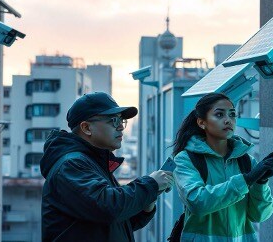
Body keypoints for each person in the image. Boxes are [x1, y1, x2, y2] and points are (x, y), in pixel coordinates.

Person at [40, 92, 174, 242]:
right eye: (113, 120)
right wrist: (150, 185)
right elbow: (107, 208)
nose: (120, 127)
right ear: (86, 127)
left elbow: (117, 224)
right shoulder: (70, 165)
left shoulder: (93, 162)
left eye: (122, 121)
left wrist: (147, 204)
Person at [172, 93, 273, 241]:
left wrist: (261, 183)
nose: (228, 120)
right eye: (219, 114)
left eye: (232, 115)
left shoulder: (245, 160)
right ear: (202, 123)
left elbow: (259, 215)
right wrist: (246, 180)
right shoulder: (186, 159)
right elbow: (198, 202)